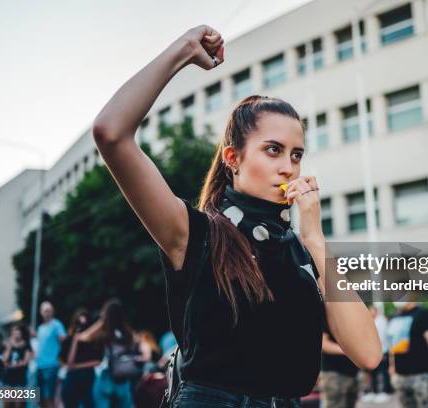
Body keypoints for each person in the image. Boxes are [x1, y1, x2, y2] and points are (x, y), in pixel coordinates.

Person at [91, 24, 382, 407]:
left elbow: (369, 354)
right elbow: (111, 133)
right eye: (273, 150)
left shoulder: (300, 252)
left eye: (296, 154)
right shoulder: (196, 233)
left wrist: (315, 240)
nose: (288, 167)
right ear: (233, 159)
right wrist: (182, 50)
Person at [78, 299, 137, 408]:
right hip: (123, 378)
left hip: (106, 377)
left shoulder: (104, 333)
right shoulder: (127, 333)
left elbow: (83, 337)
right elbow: (134, 345)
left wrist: (102, 321)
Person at [388, 302, 428, 408]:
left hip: (421, 376)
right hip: (401, 377)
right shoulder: (396, 317)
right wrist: (392, 367)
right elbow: (393, 346)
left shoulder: (423, 314)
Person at [59, 309, 103, 408]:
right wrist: (75, 340)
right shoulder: (69, 339)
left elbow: (98, 360)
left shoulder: (93, 341)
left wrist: (78, 366)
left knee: (89, 402)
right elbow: (67, 362)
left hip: (87, 377)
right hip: (73, 377)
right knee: (69, 401)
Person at [35, 301, 67, 408]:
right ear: (41, 312)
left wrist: (62, 359)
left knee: (50, 398)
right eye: (45, 311)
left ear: (52, 312)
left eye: (49, 311)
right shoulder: (40, 328)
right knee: (40, 399)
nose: (47, 313)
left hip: (52, 366)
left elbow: (65, 342)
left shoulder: (57, 325)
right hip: (39, 367)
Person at [319, 328, 359, 408]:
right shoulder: (326, 316)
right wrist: (349, 350)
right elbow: (324, 344)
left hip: (351, 372)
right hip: (334, 373)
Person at [362, 305, 392, 403]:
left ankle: (385, 392)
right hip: (372, 352)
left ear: (376, 311)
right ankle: (374, 391)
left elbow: (382, 338)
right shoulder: (371, 321)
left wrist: (382, 352)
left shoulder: (381, 321)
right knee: (373, 373)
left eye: (371, 310)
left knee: (383, 373)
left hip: (382, 351)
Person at [2, 324, 32, 408]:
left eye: (18, 333)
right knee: (7, 403)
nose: (16, 335)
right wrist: (9, 347)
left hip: (20, 377)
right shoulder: (8, 345)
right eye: (14, 333)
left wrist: (14, 365)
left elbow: (25, 361)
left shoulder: (26, 345)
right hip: (8, 377)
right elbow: (4, 359)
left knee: (18, 404)